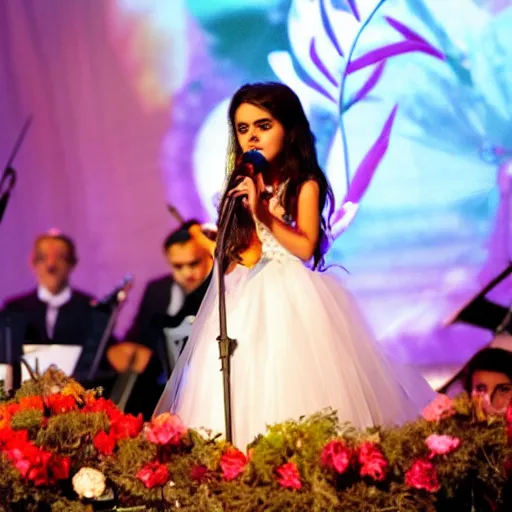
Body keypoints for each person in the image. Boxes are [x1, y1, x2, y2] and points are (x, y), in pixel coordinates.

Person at [155, 82, 435, 448]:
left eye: (263, 125)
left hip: (293, 298)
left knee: (293, 387)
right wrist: (221, 241)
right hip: (244, 299)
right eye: (243, 129)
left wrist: (262, 213)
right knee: (239, 387)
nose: (252, 136)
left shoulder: (303, 184)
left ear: (288, 129)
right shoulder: (239, 186)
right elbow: (244, 255)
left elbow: (304, 246)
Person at [116, 221, 215, 418]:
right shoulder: (157, 291)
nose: (187, 273)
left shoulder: (220, 289)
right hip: (162, 391)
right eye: (178, 266)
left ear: (208, 256)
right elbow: (140, 336)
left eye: (194, 263)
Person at [1, 230, 114, 386]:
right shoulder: (13, 311)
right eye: (43, 258)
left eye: (60, 258)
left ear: (72, 263)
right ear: (33, 263)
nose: (51, 266)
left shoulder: (91, 311)